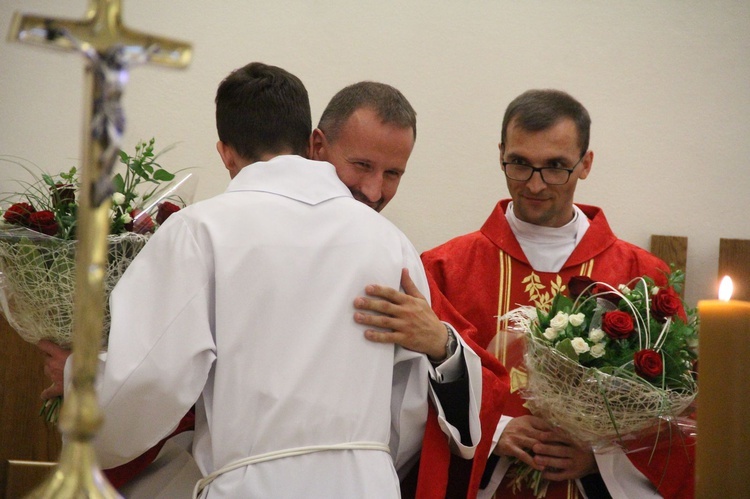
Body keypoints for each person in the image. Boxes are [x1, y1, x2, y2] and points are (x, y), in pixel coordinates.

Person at [40, 63, 485, 498]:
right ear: (309, 142)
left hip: (254, 485)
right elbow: (407, 407)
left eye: (392, 173)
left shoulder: (201, 230)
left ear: (226, 152)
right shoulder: (392, 244)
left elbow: (151, 380)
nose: (373, 189)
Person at [419, 89, 695, 498]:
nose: (535, 184)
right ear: (501, 154)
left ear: (586, 164)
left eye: (555, 167)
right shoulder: (445, 269)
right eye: (520, 164)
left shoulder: (640, 278)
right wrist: (494, 432)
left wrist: (601, 455)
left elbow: (678, 413)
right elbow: (409, 393)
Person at [310, 81, 510, 498]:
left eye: (393, 173)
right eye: (361, 165)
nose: (374, 191)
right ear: (317, 146)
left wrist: (441, 345)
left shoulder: (396, 257)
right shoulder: (239, 235)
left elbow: (468, 394)